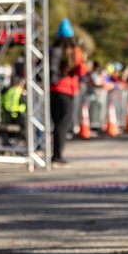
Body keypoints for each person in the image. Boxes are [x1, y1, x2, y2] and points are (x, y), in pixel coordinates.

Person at [50, 18, 86, 164]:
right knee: (62, 124)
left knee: (56, 123)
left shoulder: (52, 50)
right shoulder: (74, 52)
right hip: (67, 90)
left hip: (52, 89)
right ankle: (57, 155)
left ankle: (54, 153)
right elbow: (81, 70)